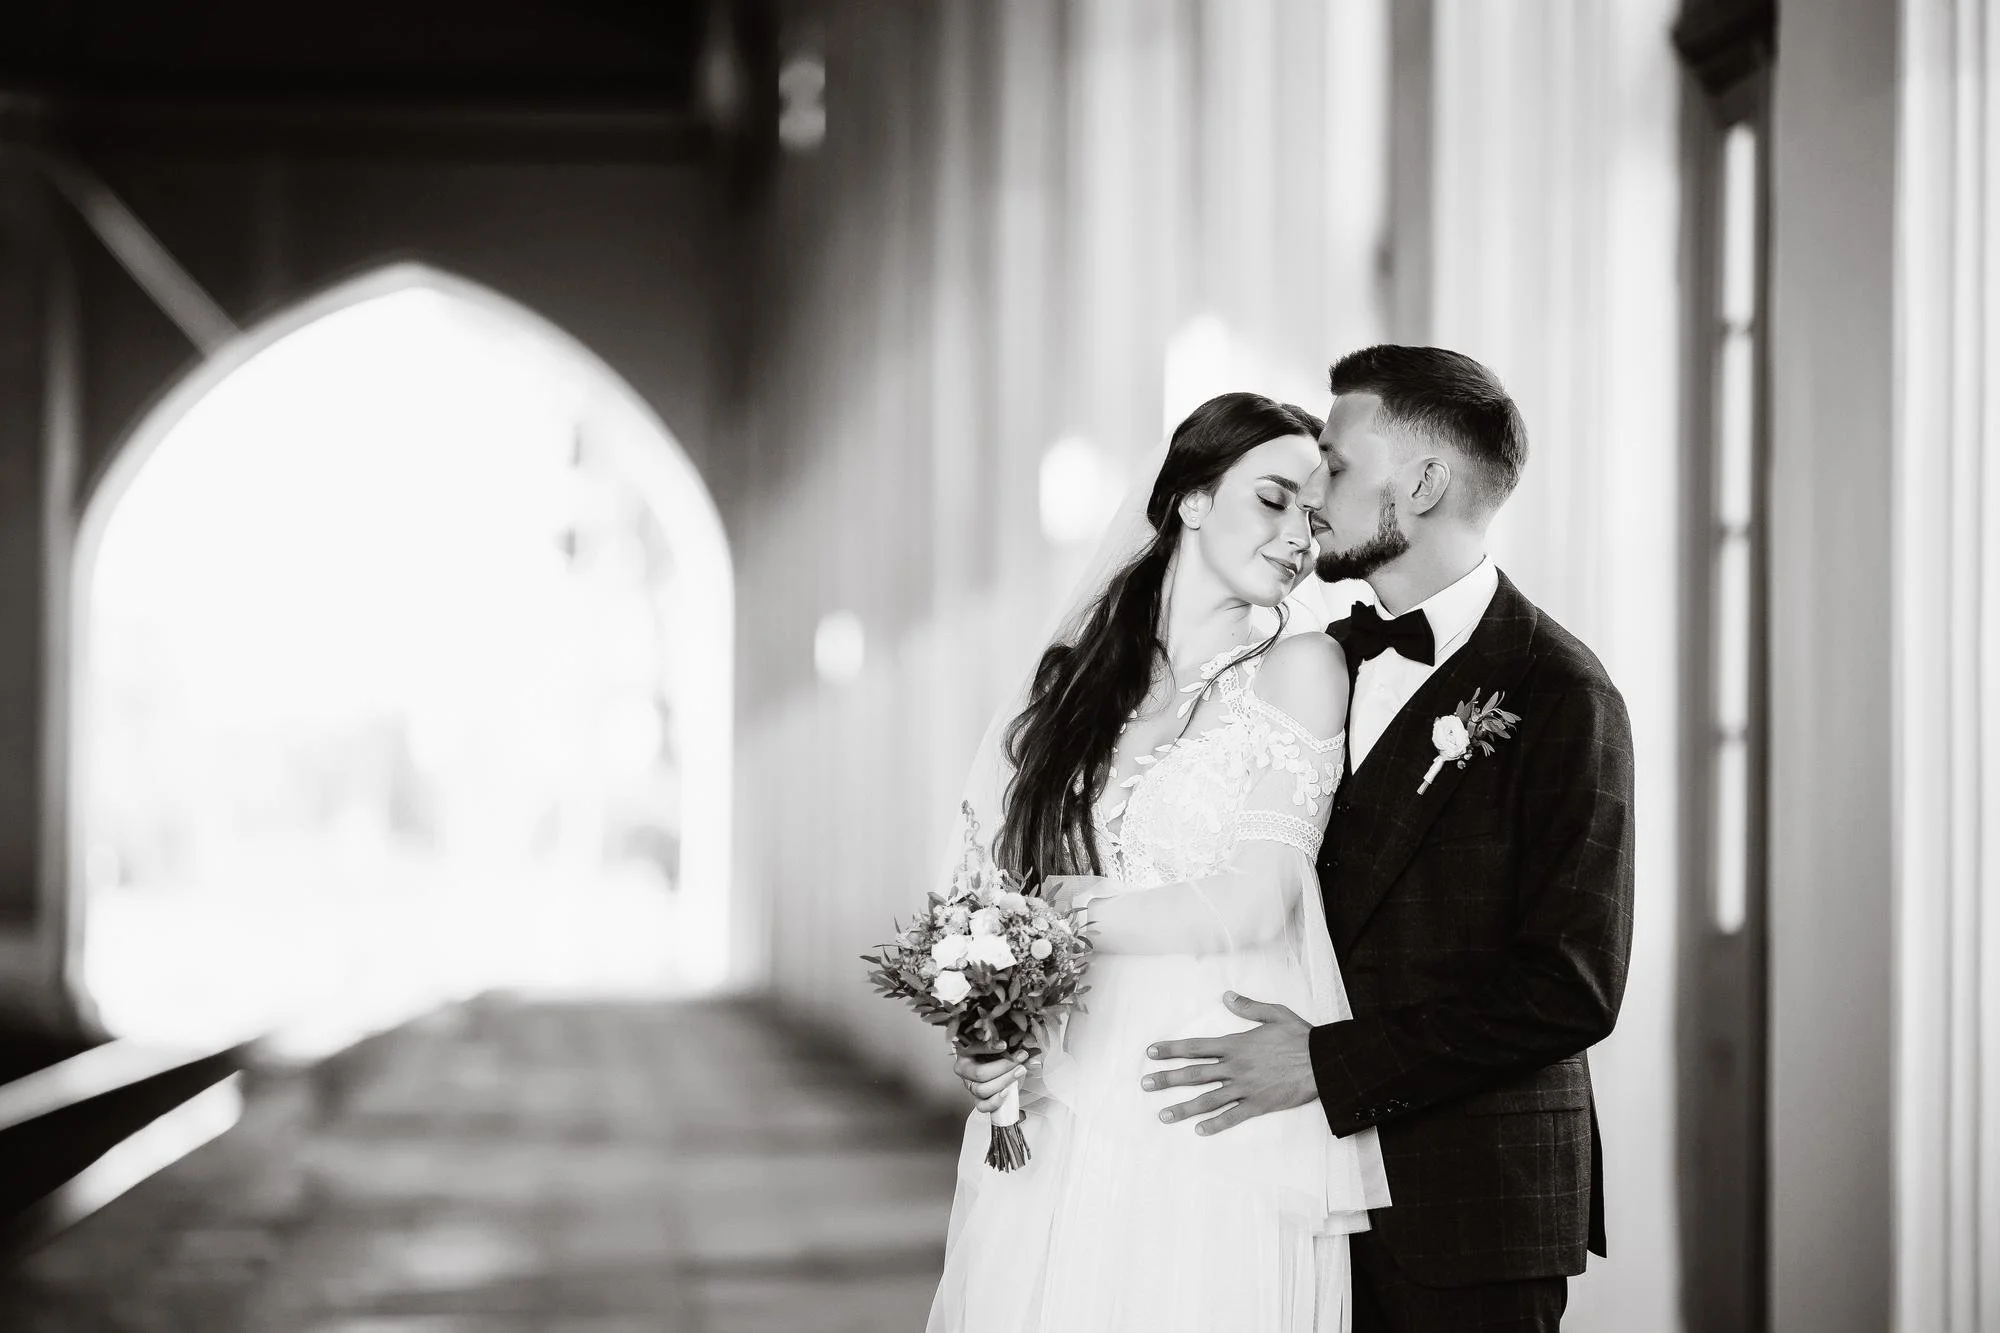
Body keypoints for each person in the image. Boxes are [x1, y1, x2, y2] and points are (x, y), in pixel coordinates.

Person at [1131, 346, 1637, 1331]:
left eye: (1336, 460)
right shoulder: (1298, 661)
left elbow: (1570, 982)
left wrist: (1326, 1067)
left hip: (1464, 1204)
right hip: (1280, 1192)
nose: (1314, 489)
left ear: (1422, 481)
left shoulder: (1558, 689)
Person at [926, 391, 1391, 1333]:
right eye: (1272, 499)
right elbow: (987, 889)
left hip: (1205, 1099)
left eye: (1313, 512)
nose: (1300, 533)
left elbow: (1259, 901)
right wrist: (990, 1032)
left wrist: (1053, 920)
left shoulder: (1301, 668)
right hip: (1062, 1098)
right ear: (1189, 497)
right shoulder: (1076, 690)